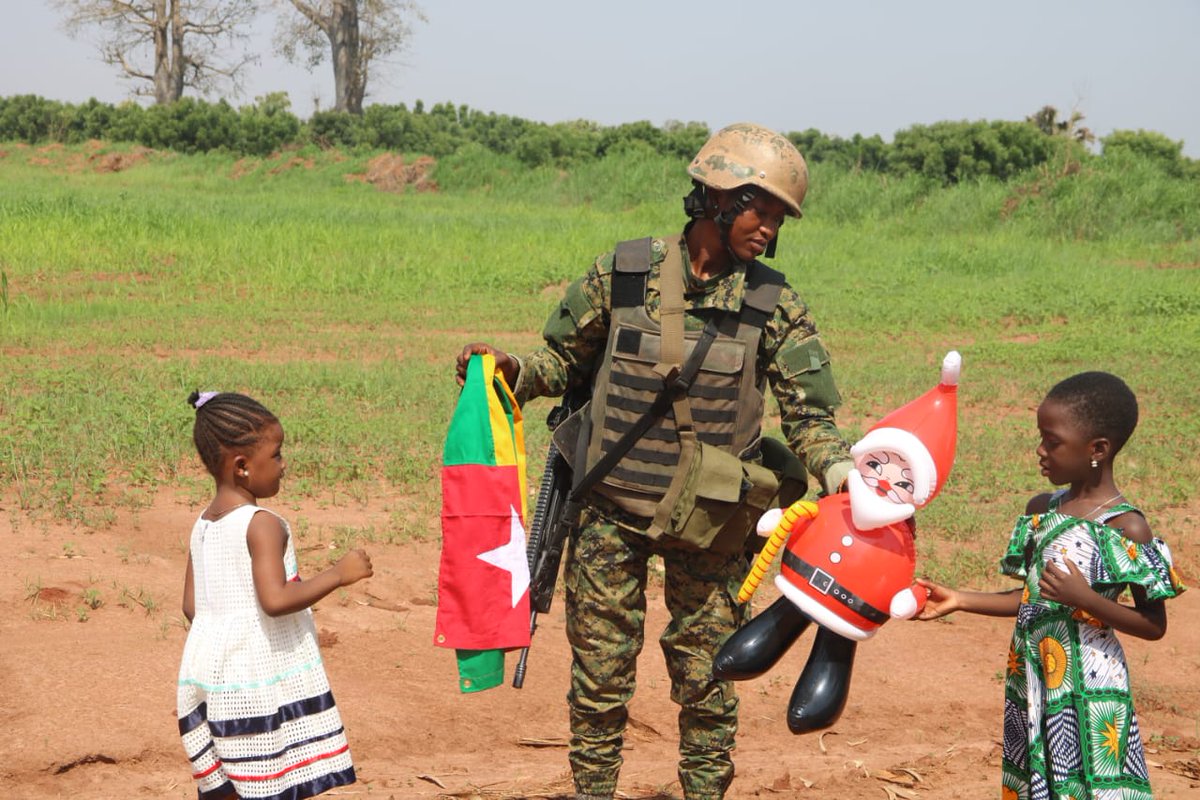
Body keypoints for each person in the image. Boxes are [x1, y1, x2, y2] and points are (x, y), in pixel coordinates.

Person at [455, 122, 855, 800]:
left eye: (781, 218)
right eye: (762, 210)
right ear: (718, 197)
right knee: (601, 680)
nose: (770, 230)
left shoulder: (773, 306)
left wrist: (843, 476)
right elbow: (561, 361)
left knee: (709, 681)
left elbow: (812, 420)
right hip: (612, 513)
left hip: (715, 526)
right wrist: (506, 373)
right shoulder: (626, 273)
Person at [916, 371, 1185, 800]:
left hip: (1093, 688)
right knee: (1037, 782)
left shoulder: (1126, 527)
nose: (1040, 451)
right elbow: (1031, 599)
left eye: (1052, 441)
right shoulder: (1041, 510)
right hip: (1034, 673)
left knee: (1097, 785)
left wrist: (1086, 599)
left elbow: (1154, 625)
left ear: (1098, 449)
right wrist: (961, 600)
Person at [177, 390, 373, 800]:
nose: (284, 465)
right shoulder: (263, 524)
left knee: (226, 786)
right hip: (254, 685)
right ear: (243, 466)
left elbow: (192, 607)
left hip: (208, 676)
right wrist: (338, 574)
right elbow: (275, 599)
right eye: (278, 454)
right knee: (268, 781)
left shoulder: (203, 523)